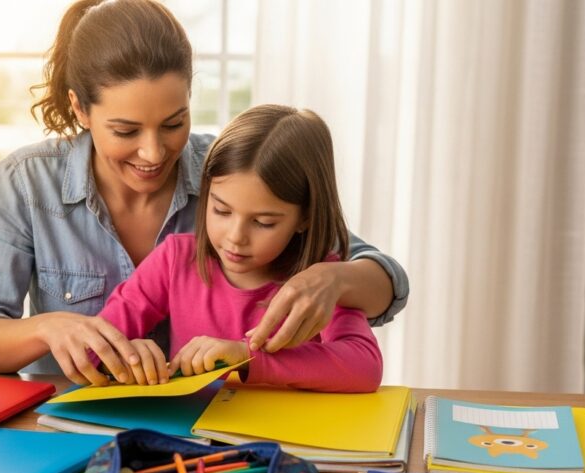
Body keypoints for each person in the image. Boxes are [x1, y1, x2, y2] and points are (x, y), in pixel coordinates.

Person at [0, 0, 406, 386]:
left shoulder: (228, 173)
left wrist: (335, 281)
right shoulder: (28, 181)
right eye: (125, 130)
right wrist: (50, 329)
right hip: (76, 429)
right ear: (79, 109)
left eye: (173, 123)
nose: (153, 151)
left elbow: (381, 280)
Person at [97, 104, 382, 392]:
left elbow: (365, 368)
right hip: (189, 433)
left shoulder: (318, 282)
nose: (236, 237)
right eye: (222, 211)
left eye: (263, 222)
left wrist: (247, 357)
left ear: (304, 217)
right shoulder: (175, 259)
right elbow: (95, 347)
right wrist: (128, 354)